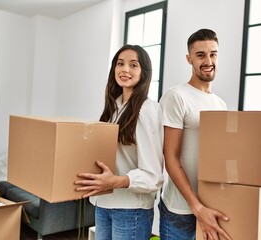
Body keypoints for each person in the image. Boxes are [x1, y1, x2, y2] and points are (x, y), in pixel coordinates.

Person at [74, 44, 164, 240]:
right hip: (104, 203)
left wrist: (117, 181)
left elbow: (154, 175)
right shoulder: (113, 107)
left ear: (144, 73)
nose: (125, 69)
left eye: (133, 65)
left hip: (131, 209)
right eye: (120, 63)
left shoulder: (147, 110)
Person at [158, 29, 231, 240]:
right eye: (200, 55)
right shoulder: (176, 96)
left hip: (211, 207)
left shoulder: (220, 104)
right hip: (181, 211)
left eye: (213, 54)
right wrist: (196, 207)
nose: (208, 60)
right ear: (189, 59)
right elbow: (170, 158)